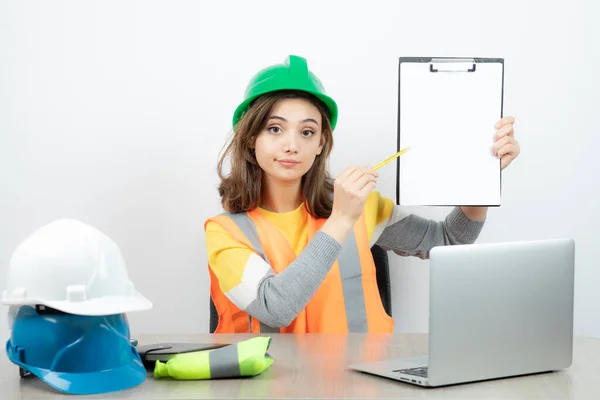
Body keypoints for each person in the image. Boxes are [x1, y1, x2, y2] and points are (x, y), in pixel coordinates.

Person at [204, 55, 520, 334]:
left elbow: (449, 240)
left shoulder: (361, 207)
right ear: (249, 139)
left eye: (307, 131)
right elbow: (276, 308)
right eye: (275, 128)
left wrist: (483, 173)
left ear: (320, 145)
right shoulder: (226, 233)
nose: (292, 145)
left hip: (360, 385)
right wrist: (342, 218)